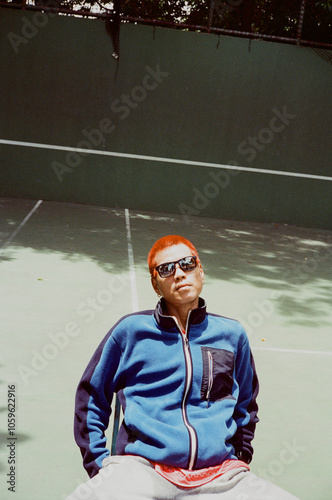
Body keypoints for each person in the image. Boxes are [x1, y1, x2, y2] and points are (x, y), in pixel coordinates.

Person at [67, 235, 299, 499]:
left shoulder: (232, 334)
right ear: (155, 284)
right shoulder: (130, 332)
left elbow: (246, 403)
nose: (179, 273)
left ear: (200, 270)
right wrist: (99, 466)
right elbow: (91, 396)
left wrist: (241, 455)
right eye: (166, 269)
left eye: (187, 264)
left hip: (221, 474)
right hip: (142, 470)